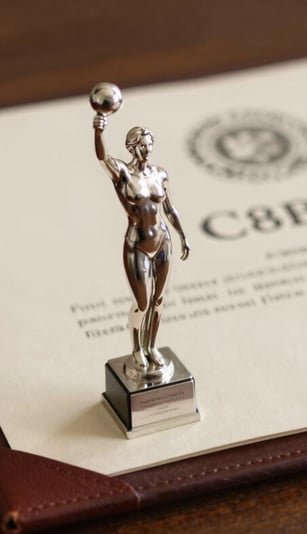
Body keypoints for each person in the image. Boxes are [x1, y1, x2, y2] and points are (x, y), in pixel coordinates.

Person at [93, 114, 190, 379]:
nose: (147, 150)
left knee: (159, 300)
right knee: (142, 302)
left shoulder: (159, 173)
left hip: (163, 240)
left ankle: (152, 347)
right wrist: (98, 131)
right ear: (132, 147)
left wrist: (182, 235)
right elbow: (103, 158)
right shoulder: (123, 174)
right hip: (137, 243)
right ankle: (137, 348)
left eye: (150, 145)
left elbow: (169, 208)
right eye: (143, 146)